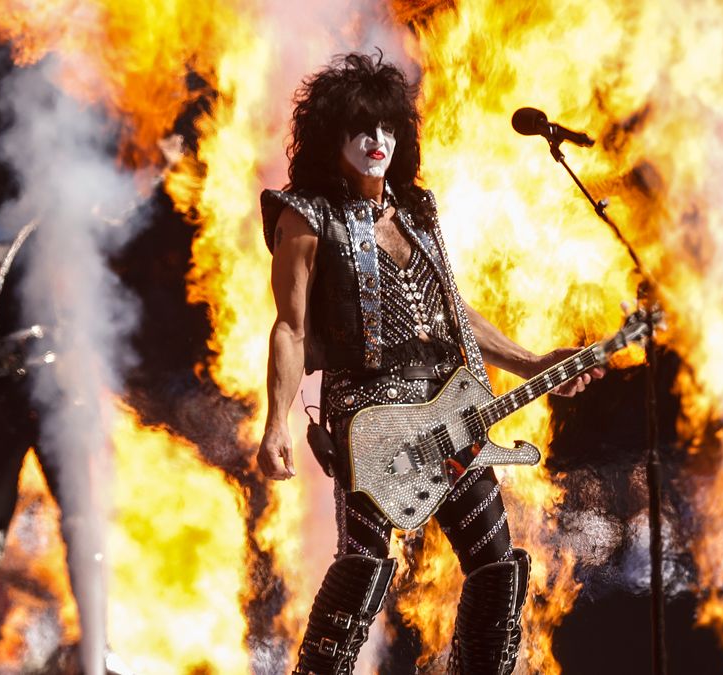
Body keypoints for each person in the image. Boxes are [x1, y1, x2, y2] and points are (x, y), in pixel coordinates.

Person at [257, 53, 603, 674]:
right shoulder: (306, 216)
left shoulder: (417, 213)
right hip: (370, 420)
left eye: (387, 128)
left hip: (450, 414)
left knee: (498, 569)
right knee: (363, 572)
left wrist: (531, 363)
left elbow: (454, 313)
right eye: (360, 129)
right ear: (331, 136)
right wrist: (276, 424)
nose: (376, 142)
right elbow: (289, 326)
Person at [0, 219, 131, 675]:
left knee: (80, 518)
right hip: (4, 397)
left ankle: (98, 646)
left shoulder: (46, 228)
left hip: (53, 392)